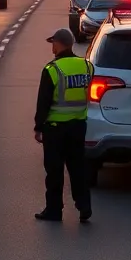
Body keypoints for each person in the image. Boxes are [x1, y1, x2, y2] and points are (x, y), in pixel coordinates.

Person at [33, 27, 93, 222]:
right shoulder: (86, 66)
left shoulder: (52, 70)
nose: (52, 48)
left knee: (54, 171)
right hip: (78, 125)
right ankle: (84, 206)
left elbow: (44, 102)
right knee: (78, 169)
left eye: (53, 44)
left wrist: (38, 127)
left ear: (59, 44)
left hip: (55, 128)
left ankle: (54, 210)